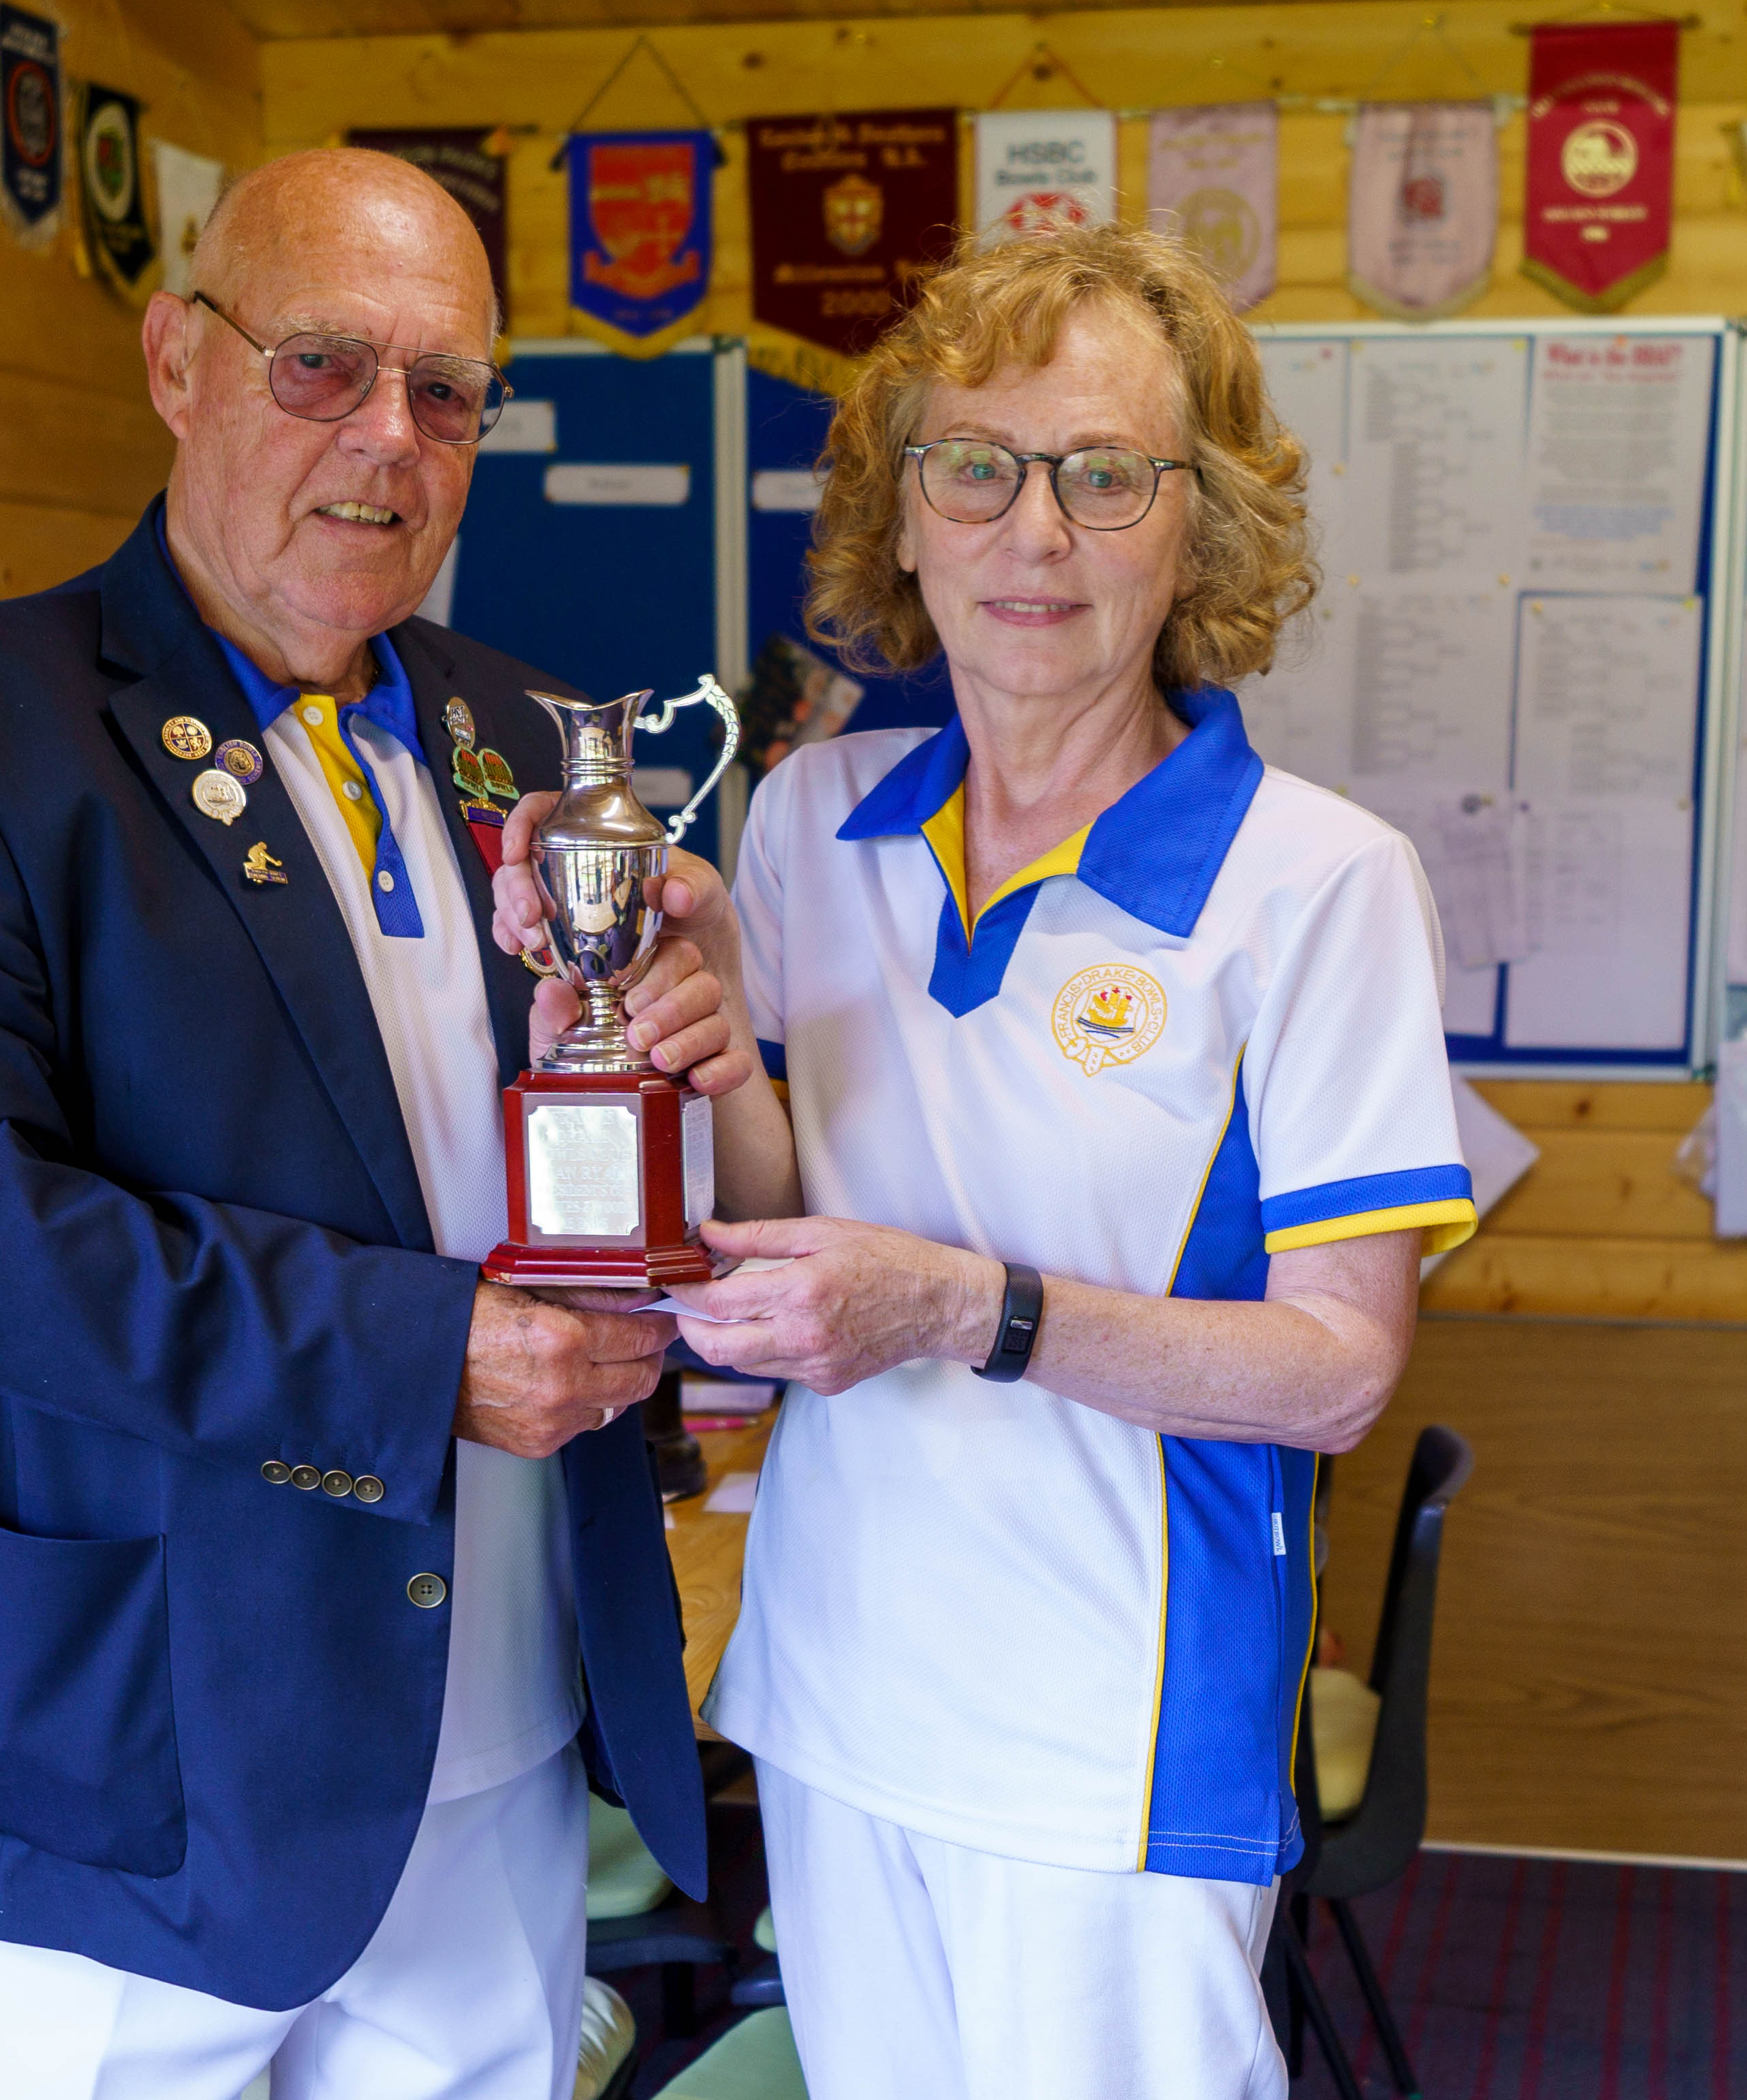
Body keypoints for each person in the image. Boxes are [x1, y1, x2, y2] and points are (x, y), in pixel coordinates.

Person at [0, 146, 723, 2100]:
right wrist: (422, 1348)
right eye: (321, 366)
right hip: (134, 1749)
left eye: (445, 390)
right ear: (175, 361)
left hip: (507, 1726)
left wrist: (692, 1058)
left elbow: (577, 1176)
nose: (389, 440)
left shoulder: (540, 743)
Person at [496, 223, 1474, 2100]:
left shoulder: (1318, 882)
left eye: (1105, 477)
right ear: (906, 513)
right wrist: (686, 1031)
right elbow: (782, 1206)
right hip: (840, 1683)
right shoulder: (808, 815)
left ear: (1198, 525)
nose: (1036, 536)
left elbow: (1339, 1370)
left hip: (1110, 1743)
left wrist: (965, 1307)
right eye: (977, 468)